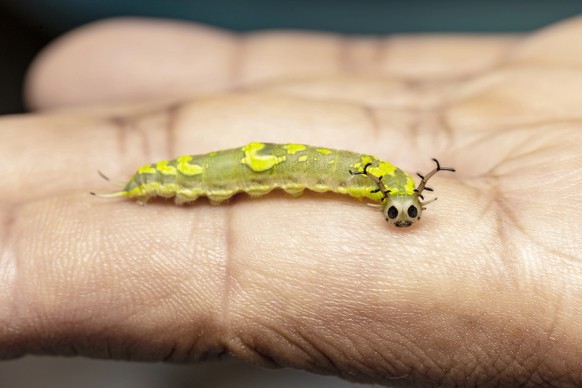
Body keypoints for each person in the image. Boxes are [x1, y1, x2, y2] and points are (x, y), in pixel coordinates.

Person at [1, 16, 581, 386]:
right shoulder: (375, 182)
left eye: (401, 211)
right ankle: (154, 180)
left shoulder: (376, 182)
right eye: (402, 208)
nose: (402, 214)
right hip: (188, 175)